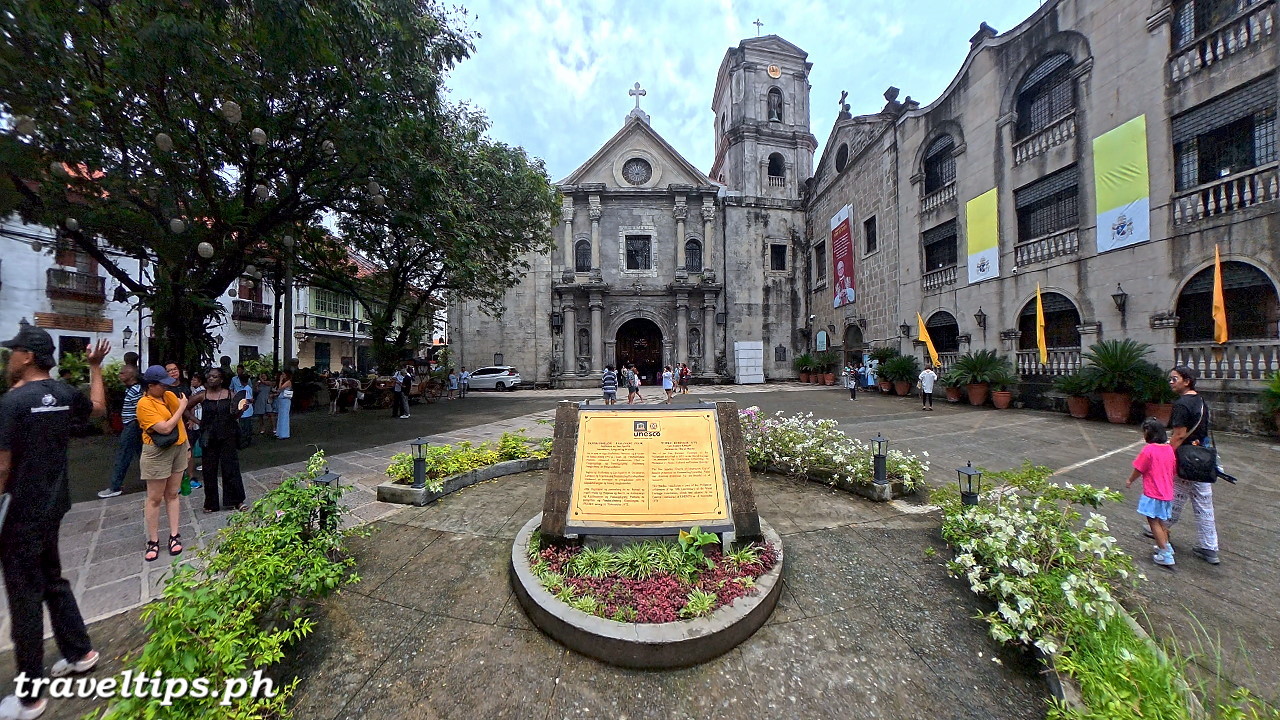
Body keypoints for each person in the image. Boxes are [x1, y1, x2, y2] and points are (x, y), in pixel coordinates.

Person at [0, 328, 110, 720]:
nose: (10, 356)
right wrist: (96, 368)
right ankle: (80, 652)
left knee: (24, 598)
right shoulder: (64, 395)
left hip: (16, 514)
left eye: (13, 350)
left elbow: (2, 466)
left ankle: (29, 696)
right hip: (52, 506)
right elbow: (97, 407)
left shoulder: (11, 403)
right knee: (51, 578)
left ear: (27, 356)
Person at [1165, 365, 1221, 565]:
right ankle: (1209, 546)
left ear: (1186, 381)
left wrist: (1166, 454)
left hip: (1186, 457)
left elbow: (1179, 435)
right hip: (1202, 458)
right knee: (1203, 503)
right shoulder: (1200, 400)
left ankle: (1160, 530)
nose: (1171, 382)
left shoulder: (1182, 404)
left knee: (1175, 495)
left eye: (1174, 379)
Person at [135, 366, 188, 563]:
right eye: (162, 383)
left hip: (178, 447)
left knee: (173, 494)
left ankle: (174, 535)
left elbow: (180, 423)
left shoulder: (169, 396)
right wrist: (182, 407)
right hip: (158, 452)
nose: (167, 385)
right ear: (151, 386)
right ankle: (153, 540)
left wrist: (187, 447)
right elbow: (165, 428)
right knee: (155, 497)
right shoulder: (144, 404)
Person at [191, 367, 250, 513]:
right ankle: (211, 503)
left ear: (222, 380)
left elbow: (235, 416)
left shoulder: (230, 395)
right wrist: (197, 421)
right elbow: (185, 407)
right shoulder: (202, 395)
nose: (211, 379)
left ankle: (236, 501)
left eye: (215, 377)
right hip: (209, 437)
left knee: (231, 468)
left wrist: (241, 410)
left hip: (227, 435)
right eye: (210, 376)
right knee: (209, 469)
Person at [1126, 418, 1177, 568]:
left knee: (1153, 522)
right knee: (1162, 522)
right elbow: (1173, 469)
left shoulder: (1149, 450)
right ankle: (1166, 546)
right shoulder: (1169, 449)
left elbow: (1139, 468)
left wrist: (1130, 480)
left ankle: (1165, 554)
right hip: (1167, 492)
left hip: (1153, 493)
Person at [98, 364, 141, 498]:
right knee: (143, 456)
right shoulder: (131, 389)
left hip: (133, 426)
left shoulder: (135, 390)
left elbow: (140, 410)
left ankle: (115, 486)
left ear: (131, 375)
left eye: (122, 373)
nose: (119, 375)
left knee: (123, 456)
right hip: (132, 425)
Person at [185, 371, 204, 490]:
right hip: (195, 417)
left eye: (194, 380)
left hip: (199, 417)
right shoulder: (193, 389)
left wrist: (192, 420)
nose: (192, 382)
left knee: (196, 442)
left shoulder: (201, 391)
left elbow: (191, 404)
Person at [230, 366, 254, 447]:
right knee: (243, 426)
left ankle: (246, 441)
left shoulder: (247, 389)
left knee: (246, 426)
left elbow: (250, 399)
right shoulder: (246, 388)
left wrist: (245, 400)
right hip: (242, 409)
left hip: (246, 409)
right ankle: (243, 440)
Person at [272, 371, 293, 440]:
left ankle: (284, 433)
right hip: (281, 400)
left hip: (285, 401)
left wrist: (280, 380)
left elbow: (280, 388)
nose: (282, 375)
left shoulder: (288, 382)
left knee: (284, 416)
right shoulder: (285, 382)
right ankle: (280, 432)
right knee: (280, 416)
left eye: (284, 374)